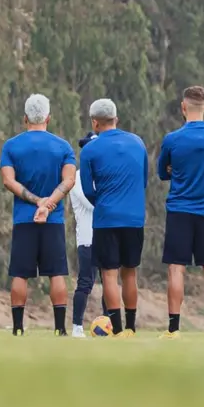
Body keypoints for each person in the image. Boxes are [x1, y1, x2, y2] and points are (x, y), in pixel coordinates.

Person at [0, 94, 76, 337]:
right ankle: (59, 329)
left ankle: (18, 328)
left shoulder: (11, 146)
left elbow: (8, 181)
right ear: (48, 118)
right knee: (56, 272)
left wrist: (35, 202)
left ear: (25, 119)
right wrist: (49, 203)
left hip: (24, 219)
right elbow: (69, 180)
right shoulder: (63, 146)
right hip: (52, 220)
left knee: (20, 273)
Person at [158, 86, 204, 339]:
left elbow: (162, 173)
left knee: (177, 269)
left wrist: (174, 169)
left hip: (179, 211)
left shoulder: (172, 139)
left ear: (183, 107)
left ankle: (173, 329)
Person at [79, 98, 147, 337]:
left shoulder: (89, 150)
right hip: (134, 218)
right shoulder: (138, 143)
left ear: (94, 123)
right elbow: (144, 179)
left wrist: (105, 203)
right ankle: (131, 327)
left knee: (109, 273)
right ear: (116, 119)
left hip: (106, 217)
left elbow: (88, 190)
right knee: (130, 272)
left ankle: (116, 329)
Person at [69, 132, 98, 338]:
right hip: (88, 238)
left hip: (106, 235)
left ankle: (110, 322)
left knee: (110, 280)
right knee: (86, 282)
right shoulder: (78, 177)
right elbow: (92, 202)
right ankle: (77, 326)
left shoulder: (104, 174)